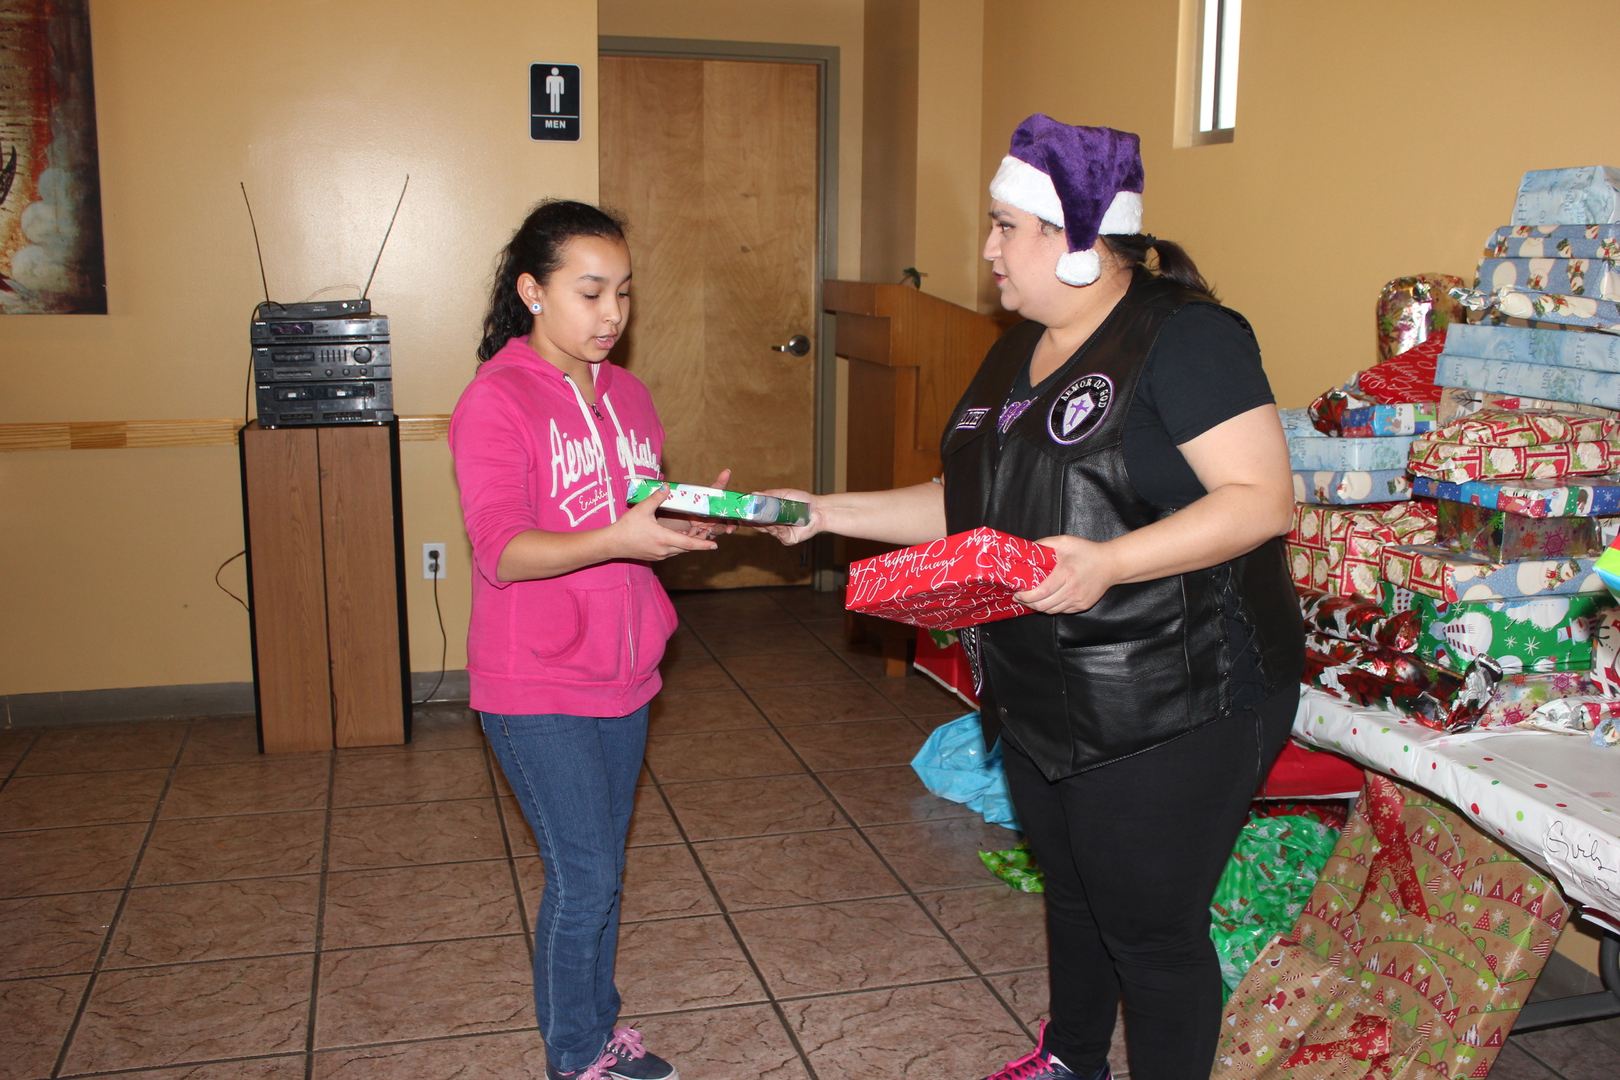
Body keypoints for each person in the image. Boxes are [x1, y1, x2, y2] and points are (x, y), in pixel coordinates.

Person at [760, 116, 1305, 1080]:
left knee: (1152, 933)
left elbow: (1261, 501)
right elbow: (964, 503)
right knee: (1076, 894)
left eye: (1005, 226)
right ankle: (1072, 1060)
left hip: (1176, 697)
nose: (987, 248)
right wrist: (823, 511)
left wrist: (1109, 562)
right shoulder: (1017, 348)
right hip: (1042, 690)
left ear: (1077, 239)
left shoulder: (1186, 338)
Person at [450, 199, 726, 1080]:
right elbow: (501, 550)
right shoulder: (496, 401)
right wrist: (618, 538)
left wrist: (681, 522)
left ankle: (598, 1033)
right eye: (591, 291)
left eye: (625, 292)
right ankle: (575, 1056)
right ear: (533, 292)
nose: (613, 314)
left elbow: (631, 510)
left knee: (600, 871)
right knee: (584, 876)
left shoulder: (629, 394)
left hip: (626, 670)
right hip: (535, 681)